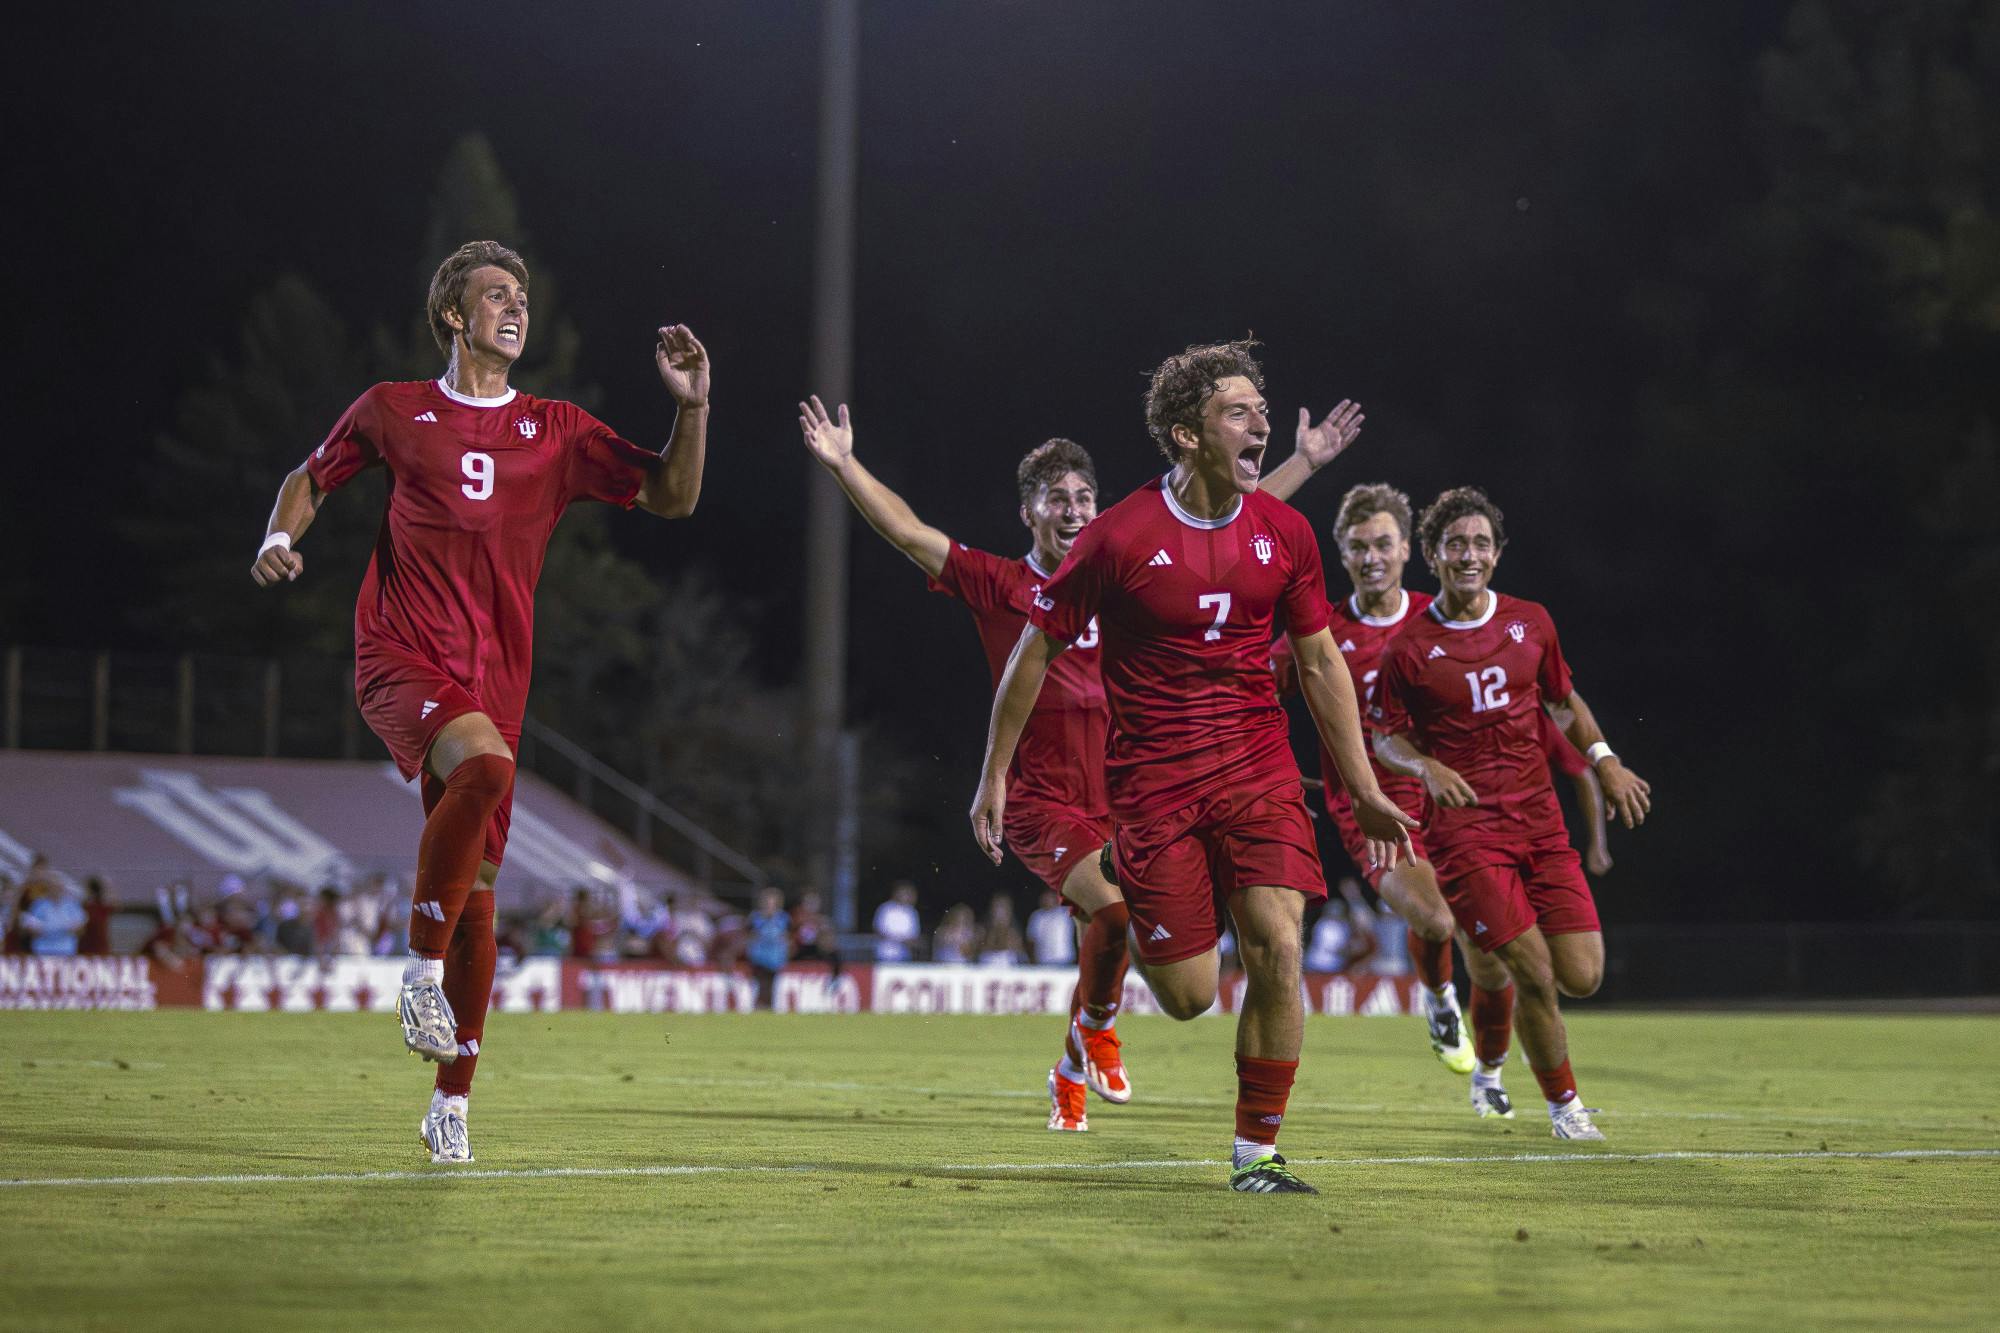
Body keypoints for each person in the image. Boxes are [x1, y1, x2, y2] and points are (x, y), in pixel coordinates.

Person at [249, 239, 711, 1164]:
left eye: (523, 294)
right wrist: (277, 535)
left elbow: (672, 495)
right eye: (495, 294)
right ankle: (418, 974)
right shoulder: (396, 410)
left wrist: (692, 408)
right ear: (455, 317)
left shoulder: (558, 432)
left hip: (496, 678)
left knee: (485, 899)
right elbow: (311, 476)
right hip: (399, 654)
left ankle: (450, 1105)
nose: (516, 306)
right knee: (492, 769)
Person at [801, 389, 1353, 1130]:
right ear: (1027, 512)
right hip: (1042, 802)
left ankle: (1070, 1059)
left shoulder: (1120, 570)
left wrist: (1301, 462)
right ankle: (1095, 1028)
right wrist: (844, 465)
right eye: (1055, 497)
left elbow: (1225, 521)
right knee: (1118, 912)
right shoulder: (1006, 587)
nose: (1073, 507)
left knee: (1168, 951)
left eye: (1084, 495)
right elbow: (909, 532)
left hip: (1125, 799)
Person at [971, 340, 1416, 1191]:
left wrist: (1360, 786)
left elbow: (1321, 665)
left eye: (1260, 406)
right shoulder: (1117, 538)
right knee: (1185, 994)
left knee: (1280, 945)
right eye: (1239, 412)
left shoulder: (1284, 532)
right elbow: (1033, 653)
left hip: (1258, 768)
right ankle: (1098, 1001)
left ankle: (1257, 1154)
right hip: (1155, 786)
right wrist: (994, 773)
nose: (1260, 422)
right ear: (1186, 434)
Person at [1373, 487, 1652, 1141]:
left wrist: (1605, 757)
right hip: (1466, 834)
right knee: (1533, 971)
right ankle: (1565, 1108)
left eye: (1479, 543)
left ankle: (1489, 1065)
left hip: (1539, 823)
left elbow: (1562, 700)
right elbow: (1384, 733)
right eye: (1454, 544)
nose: (1467, 555)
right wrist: (1425, 767)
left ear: (1496, 555)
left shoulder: (1532, 622)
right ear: (1433, 555)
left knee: (1582, 975)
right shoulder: (1410, 648)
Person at [1270, 481, 1502, 1074]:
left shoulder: (1437, 618)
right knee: (1434, 918)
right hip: (1370, 806)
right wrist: (1275, 773)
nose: (1371, 557)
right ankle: (1439, 1000)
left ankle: (1504, 1078)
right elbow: (1250, 700)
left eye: (1382, 544)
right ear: (1342, 555)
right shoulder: (1318, 631)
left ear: (1405, 551)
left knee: (1496, 938)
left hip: (1451, 800)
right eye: (1357, 547)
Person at [745, 888, 792, 1011]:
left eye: (773, 902)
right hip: (759, 956)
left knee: (772, 985)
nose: (770, 905)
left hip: (775, 957)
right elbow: (750, 935)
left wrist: (786, 950)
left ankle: (769, 1007)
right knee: (761, 984)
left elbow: (786, 937)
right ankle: (759, 1006)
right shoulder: (756, 918)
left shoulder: (783, 919)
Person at [1025, 889, 1076, 965]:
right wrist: (1033, 959)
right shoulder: (1036, 916)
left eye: (1049, 897)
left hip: (1064, 959)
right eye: (1045, 898)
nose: (1047, 900)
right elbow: (1031, 940)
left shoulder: (1065, 913)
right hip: (1044, 961)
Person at [976, 893, 1027, 965]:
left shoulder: (1014, 932)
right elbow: (980, 953)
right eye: (998, 907)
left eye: (1003, 907)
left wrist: (1004, 930)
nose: (1000, 912)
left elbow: (1020, 954)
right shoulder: (983, 930)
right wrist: (994, 931)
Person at [79, 877, 115, 955]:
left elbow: (115, 904)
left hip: (99, 944)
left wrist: (108, 886)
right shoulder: (83, 906)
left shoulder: (102, 906)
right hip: (86, 943)